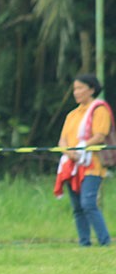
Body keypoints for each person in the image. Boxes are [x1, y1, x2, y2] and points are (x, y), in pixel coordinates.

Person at [54, 73, 111, 246]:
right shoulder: (72, 114)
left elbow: (100, 136)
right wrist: (69, 152)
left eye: (80, 88)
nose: (76, 92)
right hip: (72, 166)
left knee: (88, 204)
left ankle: (104, 241)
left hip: (92, 165)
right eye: (75, 89)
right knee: (77, 207)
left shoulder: (99, 110)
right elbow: (62, 140)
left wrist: (81, 147)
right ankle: (84, 243)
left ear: (91, 90)